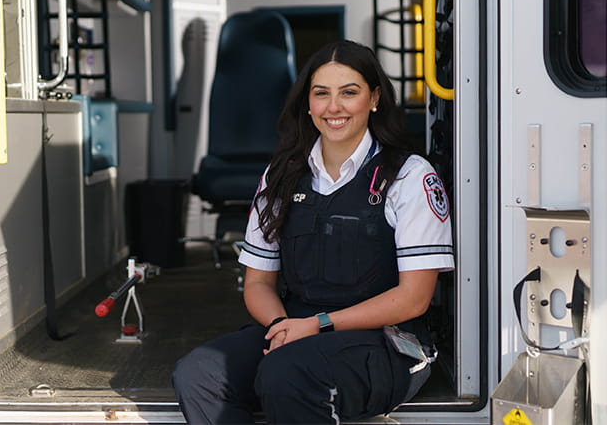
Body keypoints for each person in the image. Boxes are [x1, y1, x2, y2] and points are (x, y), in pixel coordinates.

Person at [171, 40, 454, 424]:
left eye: (349, 93)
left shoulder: (408, 175)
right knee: (198, 373)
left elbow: (413, 299)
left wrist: (316, 325)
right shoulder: (282, 174)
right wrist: (279, 327)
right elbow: (257, 283)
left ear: (374, 99)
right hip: (298, 327)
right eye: (321, 94)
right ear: (308, 103)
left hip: (388, 341)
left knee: (287, 373)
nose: (333, 107)